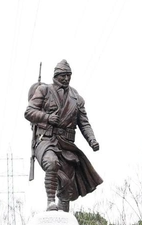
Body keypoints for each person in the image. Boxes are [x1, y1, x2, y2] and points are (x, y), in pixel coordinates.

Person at [25, 59, 102, 212]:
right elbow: (29, 112)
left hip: (66, 145)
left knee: (67, 185)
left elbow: (84, 123)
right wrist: (47, 117)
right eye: (63, 75)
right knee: (51, 163)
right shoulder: (44, 90)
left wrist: (92, 140)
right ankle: (50, 202)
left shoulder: (76, 98)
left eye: (69, 75)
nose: (66, 78)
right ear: (56, 76)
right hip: (46, 140)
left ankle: (63, 217)